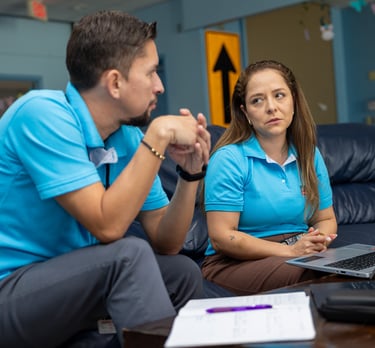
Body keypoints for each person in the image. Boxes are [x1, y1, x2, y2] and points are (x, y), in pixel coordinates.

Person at [0, 10, 211, 348]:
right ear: (114, 82)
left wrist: (190, 174)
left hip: (71, 284)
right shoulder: (41, 115)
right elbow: (108, 226)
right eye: (152, 72)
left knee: (182, 273)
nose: (160, 86)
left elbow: (168, 242)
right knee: (128, 254)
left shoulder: (125, 136)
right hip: (11, 290)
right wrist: (156, 135)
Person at [201, 60, 337, 296]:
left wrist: (316, 241)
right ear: (245, 112)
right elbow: (223, 237)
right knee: (311, 275)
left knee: (357, 268)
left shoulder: (309, 154)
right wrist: (292, 251)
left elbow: (325, 218)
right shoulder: (229, 158)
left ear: (293, 100)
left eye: (279, 95)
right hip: (235, 262)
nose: (271, 107)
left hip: (297, 250)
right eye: (257, 100)